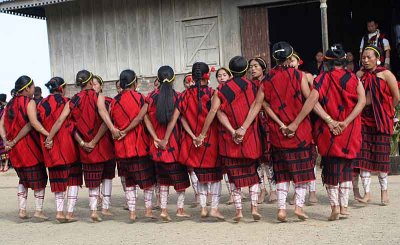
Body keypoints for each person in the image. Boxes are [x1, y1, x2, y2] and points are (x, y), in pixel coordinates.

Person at [240, 42, 317, 222]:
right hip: (300, 134)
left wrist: (243, 127)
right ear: (290, 58)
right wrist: (296, 123)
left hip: (278, 135)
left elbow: (257, 105)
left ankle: (281, 209)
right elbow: (312, 97)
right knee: (302, 173)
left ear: (274, 58)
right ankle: (298, 207)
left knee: (282, 174)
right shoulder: (299, 76)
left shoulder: (266, 81)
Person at [45, 70, 120, 222]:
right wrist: (111, 129)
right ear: (91, 81)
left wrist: (49, 138)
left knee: (92, 179)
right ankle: (95, 211)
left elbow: (62, 121)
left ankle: (92, 210)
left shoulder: (73, 100)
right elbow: (103, 114)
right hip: (99, 144)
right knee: (103, 176)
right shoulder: (97, 96)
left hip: (82, 145)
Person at [197, 56, 262, 222]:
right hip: (250, 137)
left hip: (229, 139)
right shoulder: (254, 86)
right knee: (253, 174)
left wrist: (232, 131)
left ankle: (239, 211)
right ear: (246, 69)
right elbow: (257, 107)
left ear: (230, 71)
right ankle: (254, 207)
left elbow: (216, 112)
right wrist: (243, 128)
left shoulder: (221, 90)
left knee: (234, 177)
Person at [312, 44, 365, 221]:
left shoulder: (320, 79)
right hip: (349, 130)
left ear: (326, 62)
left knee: (331, 168)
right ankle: (344, 207)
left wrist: (329, 120)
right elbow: (362, 102)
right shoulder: (354, 79)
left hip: (328, 130)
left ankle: (334, 206)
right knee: (346, 169)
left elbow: (313, 102)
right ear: (343, 61)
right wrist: (346, 122)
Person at [167, 62, 225, 220]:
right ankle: (214, 208)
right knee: (215, 176)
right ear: (208, 75)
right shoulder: (213, 93)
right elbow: (214, 114)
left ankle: (203, 208)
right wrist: (202, 134)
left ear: (192, 76)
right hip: (210, 140)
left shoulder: (183, 95)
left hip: (192, 142)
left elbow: (179, 118)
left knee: (200, 176)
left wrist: (193, 136)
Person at [353, 45, 399, 205]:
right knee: (363, 157)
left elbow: (396, 97)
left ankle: (384, 191)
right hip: (363, 121)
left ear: (377, 58)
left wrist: (386, 112)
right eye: (363, 57)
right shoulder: (359, 75)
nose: (365, 60)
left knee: (381, 157)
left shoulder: (386, 74)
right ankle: (367, 193)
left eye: (368, 57)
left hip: (381, 121)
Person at [144, 66, 191, 222]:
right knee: (180, 180)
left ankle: (163, 210)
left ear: (158, 78)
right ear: (173, 79)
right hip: (173, 144)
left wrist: (155, 138)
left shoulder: (150, 97)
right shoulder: (178, 96)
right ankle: (180, 209)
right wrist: (165, 139)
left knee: (163, 180)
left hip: (156, 146)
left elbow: (144, 117)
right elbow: (179, 120)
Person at [109, 69, 156, 221]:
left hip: (121, 148)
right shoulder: (141, 98)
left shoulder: (114, 101)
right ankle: (148, 211)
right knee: (147, 182)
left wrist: (120, 131)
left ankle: (132, 213)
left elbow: (111, 120)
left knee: (129, 183)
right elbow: (145, 119)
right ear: (134, 83)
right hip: (139, 147)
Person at [0, 76, 48, 220]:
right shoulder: (29, 102)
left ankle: (22, 210)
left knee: (23, 180)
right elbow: (32, 123)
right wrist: (48, 134)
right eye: (32, 87)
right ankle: (38, 211)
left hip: (15, 152)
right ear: (27, 88)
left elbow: (1, 125)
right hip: (29, 148)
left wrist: (6, 141)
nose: (34, 89)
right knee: (39, 179)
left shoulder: (9, 104)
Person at [35, 77, 82, 223]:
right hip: (68, 145)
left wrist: (47, 138)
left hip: (49, 146)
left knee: (57, 180)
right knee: (73, 179)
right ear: (62, 87)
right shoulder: (68, 101)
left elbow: (37, 124)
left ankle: (59, 212)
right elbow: (74, 124)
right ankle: (70, 213)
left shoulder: (41, 104)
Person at [289, 52, 318, 205]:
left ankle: (312, 192)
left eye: (292, 60)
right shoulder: (285, 77)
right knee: (295, 159)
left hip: (306, 119)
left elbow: (314, 97)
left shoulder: (307, 77)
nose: (290, 63)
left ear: (298, 62)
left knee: (309, 157)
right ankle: (297, 192)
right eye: (288, 61)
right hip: (290, 118)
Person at [249, 57, 277, 204]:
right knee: (257, 159)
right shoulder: (248, 85)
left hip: (267, 122)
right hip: (254, 123)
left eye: (256, 66)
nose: (253, 69)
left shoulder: (269, 82)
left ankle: (273, 189)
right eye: (251, 67)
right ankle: (262, 189)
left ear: (263, 68)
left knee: (269, 158)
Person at [91, 74, 116, 215]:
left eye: (96, 84)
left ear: (101, 86)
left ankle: (105, 205)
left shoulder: (109, 102)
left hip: (106, 142)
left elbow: (108, 122)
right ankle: (96, 202)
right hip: (91, 143)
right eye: (91, 84)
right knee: (95, 175)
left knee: (107, 174)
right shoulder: (85, 101)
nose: (93, 86)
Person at [0, 94, 9, 172]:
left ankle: (5, 164)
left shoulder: (6, 108)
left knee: (4, 148)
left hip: (4, 130)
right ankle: (1, 165)